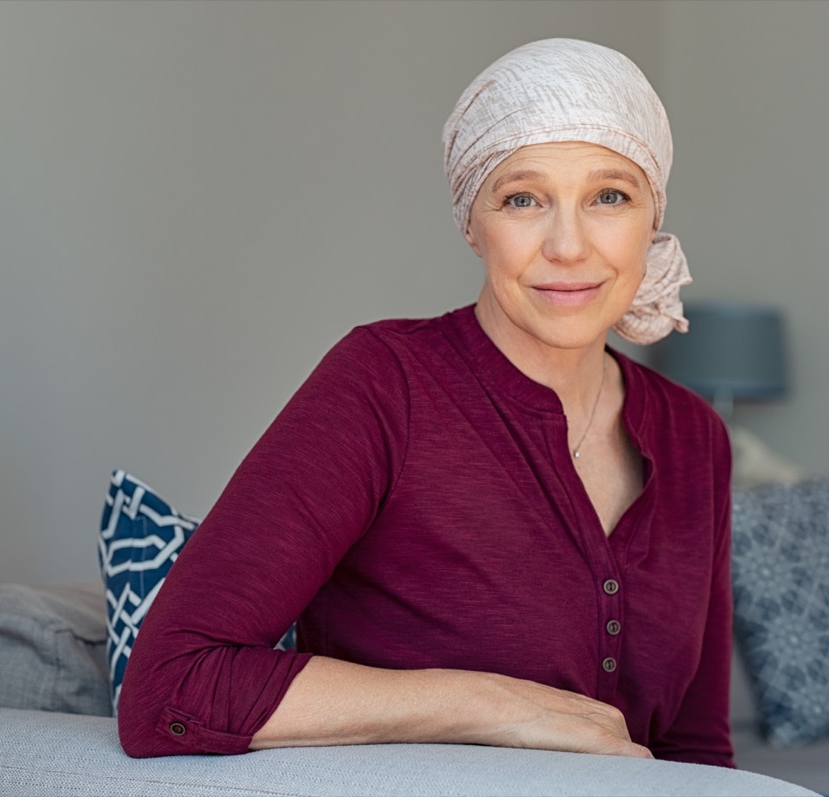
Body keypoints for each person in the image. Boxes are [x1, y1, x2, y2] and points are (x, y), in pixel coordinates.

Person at [118, 38, 734, 767]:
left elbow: (696, 753)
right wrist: (494, 704)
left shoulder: (696, 436)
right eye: (523, 198)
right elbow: (170, 688)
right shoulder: (386, 384)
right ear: (472, 223)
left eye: (609, 196)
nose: (568, 245)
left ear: (650, 217)